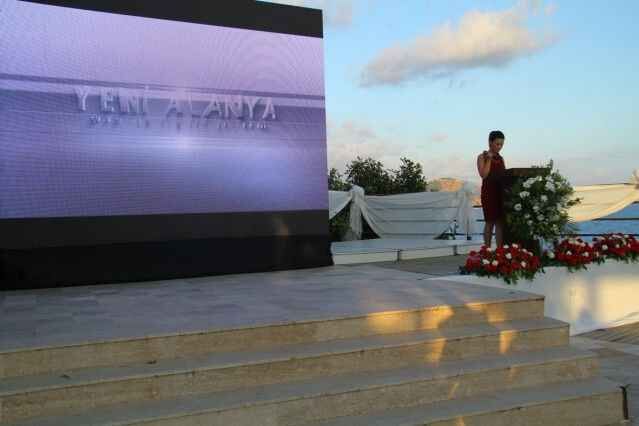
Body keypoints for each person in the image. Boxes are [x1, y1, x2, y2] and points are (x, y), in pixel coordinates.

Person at [477, 130, 506, 247]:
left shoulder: (501, 159)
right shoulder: (481, 157)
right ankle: (487, 250)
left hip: (500, 193)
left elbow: (505, 176)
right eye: (497, 144)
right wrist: (489, 159)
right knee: (489, 222)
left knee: (500, 223)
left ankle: (500, 251)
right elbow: (483, 174)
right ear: (490, 142)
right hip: (488, 193)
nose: (499, 147)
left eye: (501, 144)